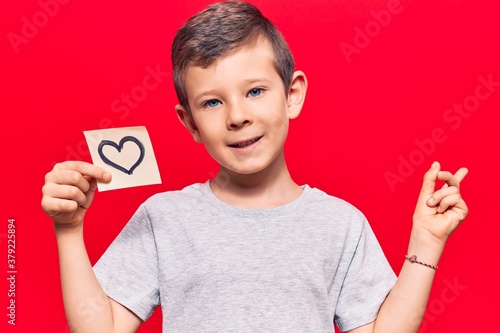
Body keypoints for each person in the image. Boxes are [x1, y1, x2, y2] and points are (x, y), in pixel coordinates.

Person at [41, 1, 469, 332]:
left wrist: (425, 243)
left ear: (292, 94)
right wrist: (69, 230)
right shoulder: (164, 218)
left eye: (255, 91)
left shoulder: (339, 224)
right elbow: (102, 326)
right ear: (189, 122)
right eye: (212, 102)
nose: (237, 116)